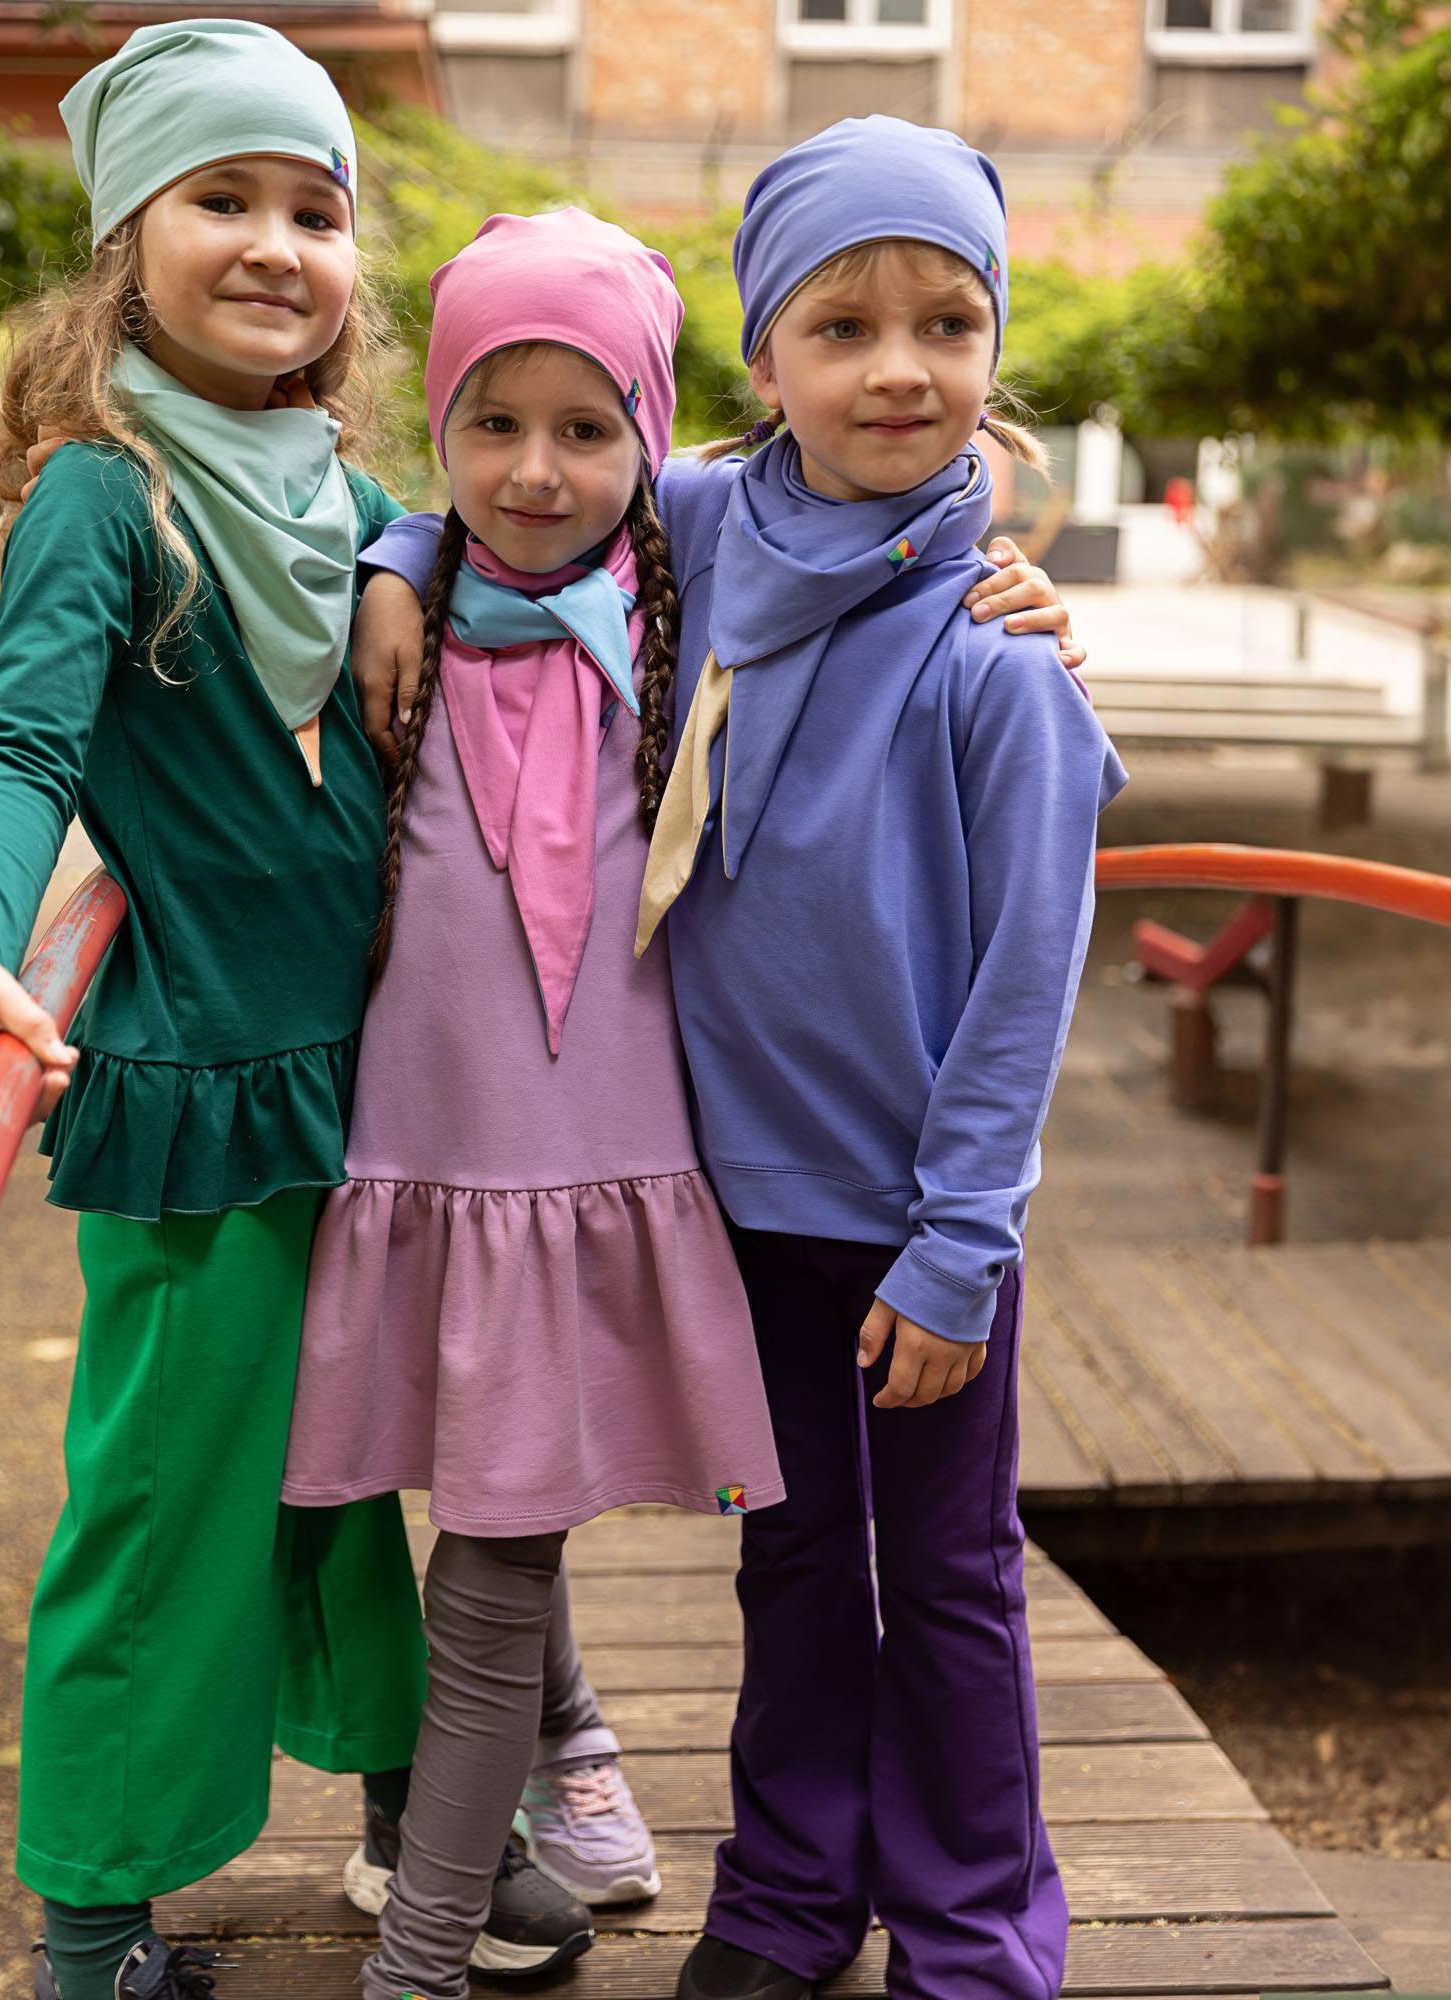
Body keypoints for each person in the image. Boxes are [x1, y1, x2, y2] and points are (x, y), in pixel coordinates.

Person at [354, 118, 1125, 2000]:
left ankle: (969, 1928)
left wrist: (963, 1239)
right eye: (840, 323)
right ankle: (788, 1897)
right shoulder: (691, 525)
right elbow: (507, 490)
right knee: (787, 1571)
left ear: (993, 356)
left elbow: (1029, 979)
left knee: (943, 1585)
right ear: (758, 365)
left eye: (949, 326)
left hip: (915, 1215)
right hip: (731, 1191)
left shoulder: (993, 650)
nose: (897, 368)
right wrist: (389, 561)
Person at [0, 23, 434, 1998]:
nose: (276, 242)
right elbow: (15, 745)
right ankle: (95, 1929)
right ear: (129, 244)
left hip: (358, 1088)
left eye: (315, 207)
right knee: (158, 1498)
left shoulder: (362, 504)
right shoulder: (105, 499)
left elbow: (588, 584)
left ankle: (417, 1823)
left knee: (346, 1471)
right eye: (224, 199)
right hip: (191, 1084)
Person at [278, 208, 785, 2000]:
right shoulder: (384, 601)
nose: (539, 471)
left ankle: (420, 1956)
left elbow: (849, 502)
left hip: (589, 1161)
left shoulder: (686, 586)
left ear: (646, 431)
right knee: (486, 1479)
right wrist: (408, 560)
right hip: (422, 1151)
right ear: (437, 429)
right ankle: (577, 1751)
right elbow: (406, 516)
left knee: (489, 1554)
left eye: (587, 429)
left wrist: (1013, 583)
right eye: (491, 426)